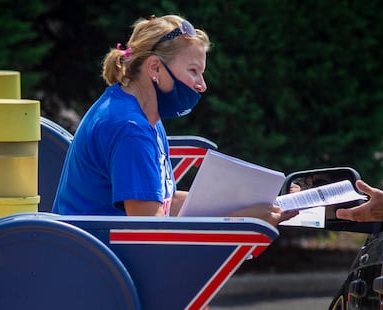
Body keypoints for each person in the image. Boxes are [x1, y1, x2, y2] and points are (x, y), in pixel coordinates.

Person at [52, 14, 296, 226]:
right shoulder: (130, 128)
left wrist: (255, 204)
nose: (202, 85)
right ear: (155, 68)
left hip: (99, 259)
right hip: (96, 267)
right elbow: (150, 231)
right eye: (193, 71)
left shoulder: (145, 116)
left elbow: (163, 203)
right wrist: (241, 221)